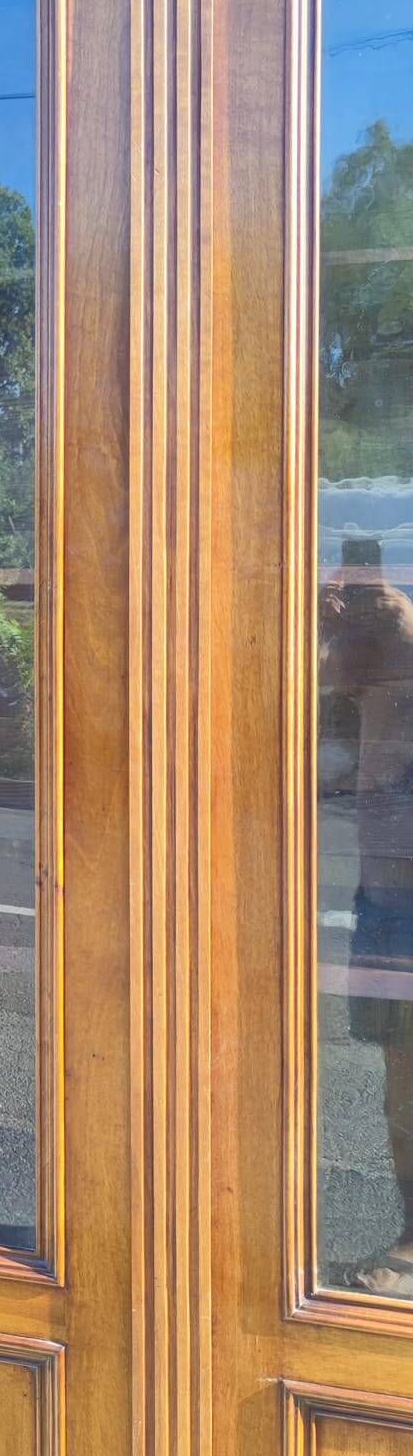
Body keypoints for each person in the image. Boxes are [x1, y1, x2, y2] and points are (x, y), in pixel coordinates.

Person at [321, 535, 413, 1294]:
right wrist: (333, 633)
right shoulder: (374, 638)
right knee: (400, 1075)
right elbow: (319, 700)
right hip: (384, 882)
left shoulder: (403, 632)